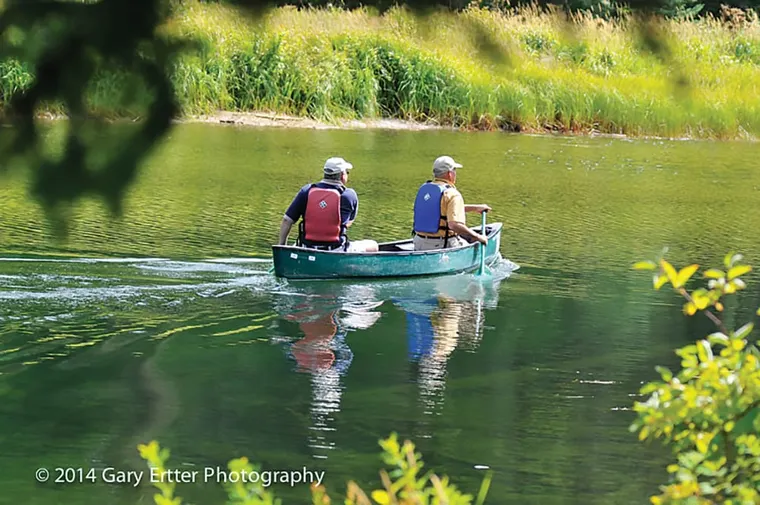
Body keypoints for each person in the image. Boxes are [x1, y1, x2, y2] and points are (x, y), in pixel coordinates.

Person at [277, 157, 379, 252]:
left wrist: (282, 247)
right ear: (342, 176)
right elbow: (348, 223)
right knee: (373, 245)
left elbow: (287, 220)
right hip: (336, 249)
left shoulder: (306, 191)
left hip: (306, 248)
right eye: (347, 172)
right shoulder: (349, 195)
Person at [412, 155, 491, 251]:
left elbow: (443, 210)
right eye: (455, 170)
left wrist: (475, 208)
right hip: (442, 245)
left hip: (418, 242)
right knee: (470, 241)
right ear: (450, 174)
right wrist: (477, 237)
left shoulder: (425, 190)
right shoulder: (452, 194)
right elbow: (454, 225)